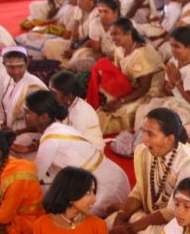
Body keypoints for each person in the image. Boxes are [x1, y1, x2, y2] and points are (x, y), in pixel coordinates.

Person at [25, 89, 130, 218]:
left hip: (106, 189)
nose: (25, 116)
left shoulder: (50, 139)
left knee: (64, 218)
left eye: (28, 112)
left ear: (43, 117)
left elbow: (35, 176)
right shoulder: (61, 128)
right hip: (116, 176)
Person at [95, 18, 164, 134]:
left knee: (123, 110)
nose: (113, 38)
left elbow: (144, 87)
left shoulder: (142, 54)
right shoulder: (119, 49)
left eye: (116, 34)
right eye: (111, 34)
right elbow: (118, 73)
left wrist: (120, 101)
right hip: (131, 86)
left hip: (149, 91)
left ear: (128, 33)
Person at [137, 27, 190, 130]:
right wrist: (170, 86)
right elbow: (166, 91)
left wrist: (178, 82)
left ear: (189, 47)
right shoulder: (174, 61)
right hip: (177, 102)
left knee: (163, 123)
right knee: (145, 111)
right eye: (171, 45)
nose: (173, 50)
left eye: (177, 46)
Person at [0, 48, 47, 156]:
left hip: (32, 134)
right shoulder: (9, 81)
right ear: (4, 65)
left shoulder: (33, 86)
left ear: (27, 64)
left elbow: (43, 121)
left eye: (20, 66)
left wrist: (17, 132)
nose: (16, 71)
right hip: (14, 131)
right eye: (11, 67)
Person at [41, 0, 104, 73]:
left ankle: (67, 67)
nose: (79, 0)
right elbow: (74, 31)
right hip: (77, 44)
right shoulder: (78, 9)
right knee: (49, 45)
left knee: (79, 57)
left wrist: (75, 51)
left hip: (88, 48)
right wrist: (71, 45)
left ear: (92, 0)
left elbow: (91, 40)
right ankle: (64, 65)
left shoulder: (97, 13)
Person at [49, 70, 104, 150]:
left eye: (54, 93)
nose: (51, 95)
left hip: (90, 149)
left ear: (69, 95)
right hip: (73, 144)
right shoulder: (66, 104)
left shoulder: (81, 112)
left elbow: (73, 141)